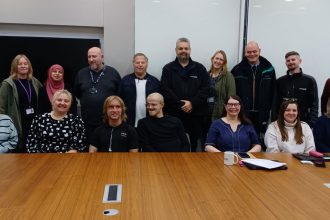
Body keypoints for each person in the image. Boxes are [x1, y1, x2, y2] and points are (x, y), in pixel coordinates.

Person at [160, 37, 209, 151]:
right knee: (174, 145)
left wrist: (192, 103)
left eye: (186, 48)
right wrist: (181, 104)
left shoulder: (199, 68)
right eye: (180, 48)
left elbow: (206, 89)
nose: (183, 51)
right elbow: (165, 89)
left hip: (195, 115)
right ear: (176, 50)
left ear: (190, 50)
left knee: (194, 146)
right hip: (174, 114)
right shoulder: (168, 69)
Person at [74, 47, 121, 144]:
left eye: (94, 56)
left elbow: (119, 95)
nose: (91, 59)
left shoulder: (113, 73)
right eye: (89, 57)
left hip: (108, 122)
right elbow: (77, 93)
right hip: (87, 122)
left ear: (102, 57)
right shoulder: (81, 73)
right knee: (90, 151)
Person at [231, 41, 276, 139]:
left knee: (259, 140)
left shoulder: (269, 69)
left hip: (263, 113)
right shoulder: (237, 70)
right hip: (243, 113)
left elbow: (273, 92)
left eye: (254, 51)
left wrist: (271, 111)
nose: (252, 54)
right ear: (245, 53)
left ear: (259, 51)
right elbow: (233, 93)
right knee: (242, 139)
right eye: (249, 52)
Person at [0, 54, 42, 152]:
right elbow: (1, 108)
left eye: (25, 63)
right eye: (20, 64)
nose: (23, 66)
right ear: (15, 66)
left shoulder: (35, 82)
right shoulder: (7, 84)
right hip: (17, 124)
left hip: (33, 123)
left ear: (29, 66)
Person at [273, 51, 318, 128]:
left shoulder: (309, 80)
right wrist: (274, 121)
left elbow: (314, 103)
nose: (290, 62)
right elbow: (275, 103)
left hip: (303, 123)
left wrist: (312, 123)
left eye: (293, 59)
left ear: (300, 61)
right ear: (286, 63)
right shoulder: (280, 81)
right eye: (288, 61)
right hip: (283, 123)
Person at [118, 53, 160, 127]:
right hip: (129, 123)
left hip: (150, 122)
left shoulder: (155, 82)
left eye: (143, 62)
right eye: (137, 62)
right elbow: (119, 100)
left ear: (147, 64)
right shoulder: (125, 81)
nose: (140, 65)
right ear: (133, 64)